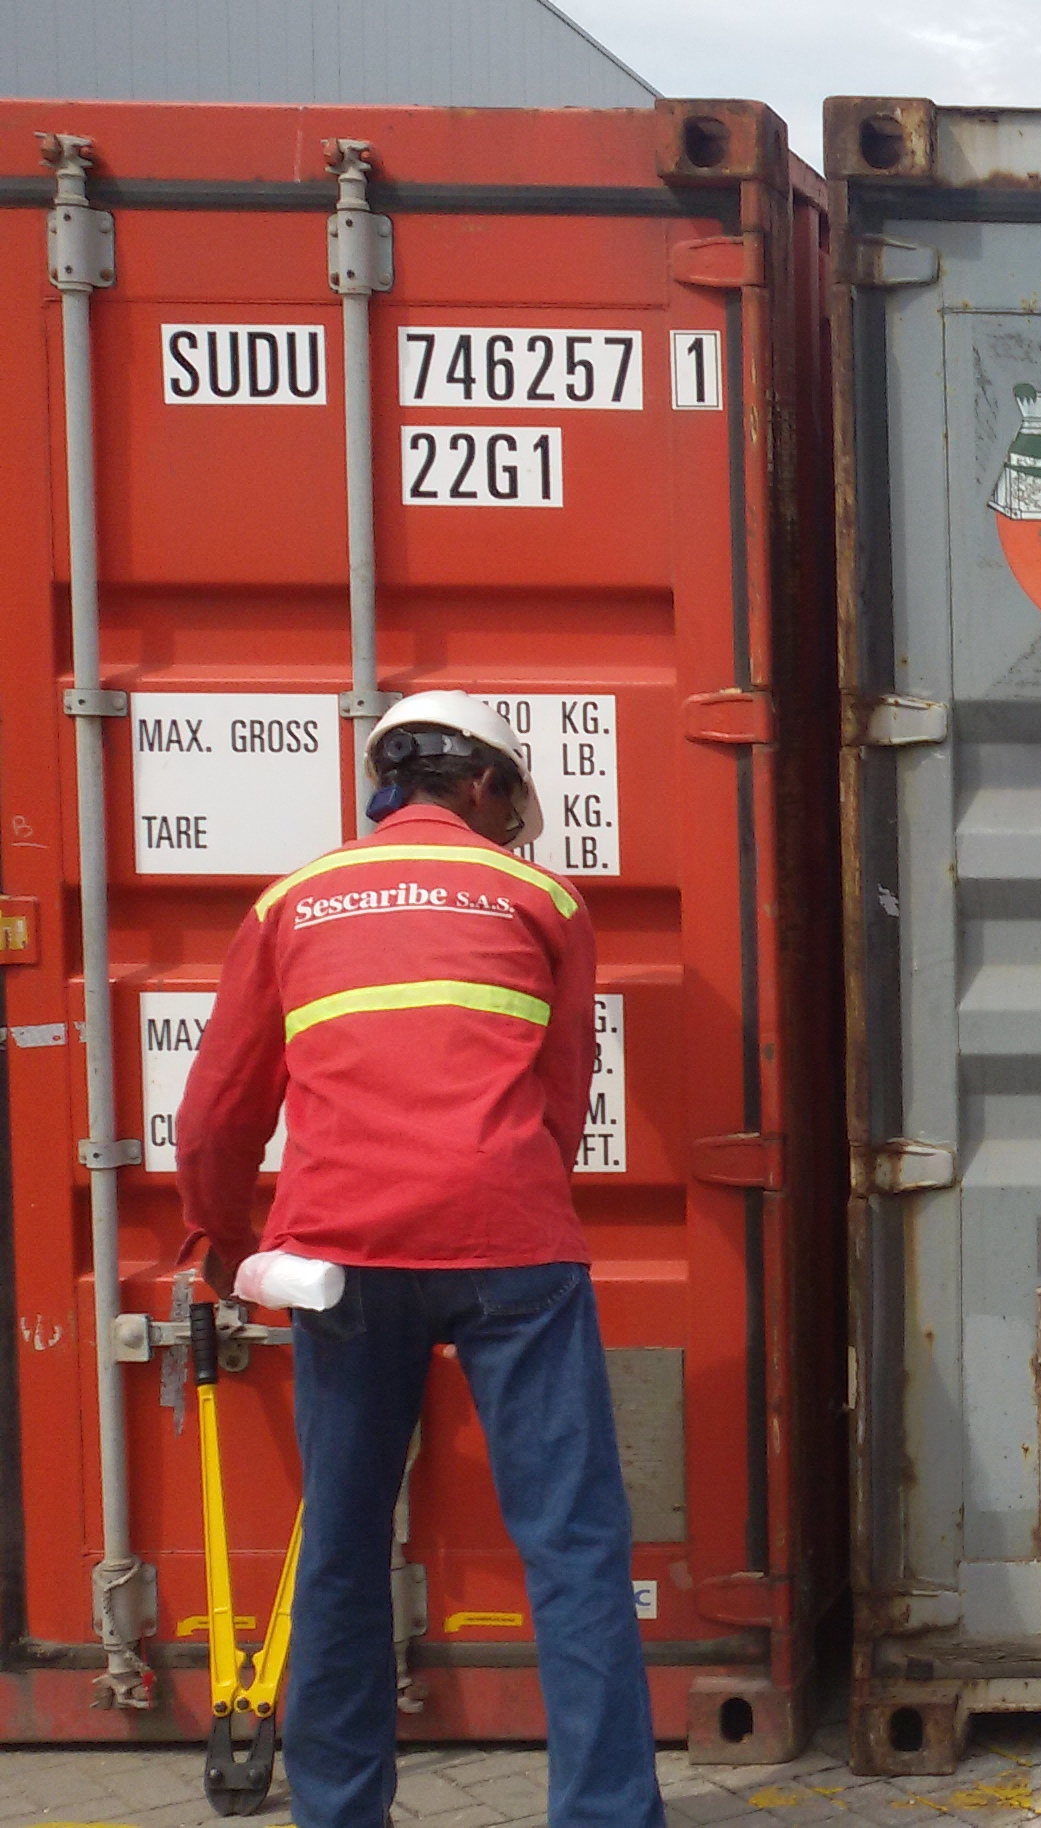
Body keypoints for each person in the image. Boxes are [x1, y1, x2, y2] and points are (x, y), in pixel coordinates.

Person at [177, 691, 663, 1828]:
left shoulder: (292, 901)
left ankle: (341, 1811)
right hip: (512, 1250)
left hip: (341, 1254)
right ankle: (605, 1814)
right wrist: (506, 1195)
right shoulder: (544, 898)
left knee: (343, 1550)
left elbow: (214, 1117)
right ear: (486, 785)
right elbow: (561, 1094)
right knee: (575, 1545)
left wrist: (227, 1245)